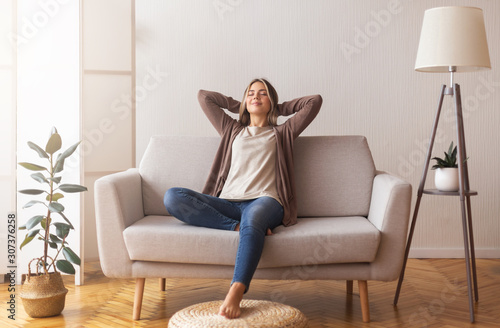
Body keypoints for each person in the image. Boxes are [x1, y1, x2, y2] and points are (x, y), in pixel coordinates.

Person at [163, 78, 322, 319]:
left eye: (263, 94)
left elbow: (314, 101)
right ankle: (236, 227)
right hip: (227, 203)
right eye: (251, 94)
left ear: (272, 101)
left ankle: (236, 291)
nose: (256, 97)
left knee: (255, 217)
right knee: (173, 196)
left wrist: (277, 107)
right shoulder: (232, 130)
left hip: (266, 201)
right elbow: (205, 97)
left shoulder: (283, 132)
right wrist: (242, 105)